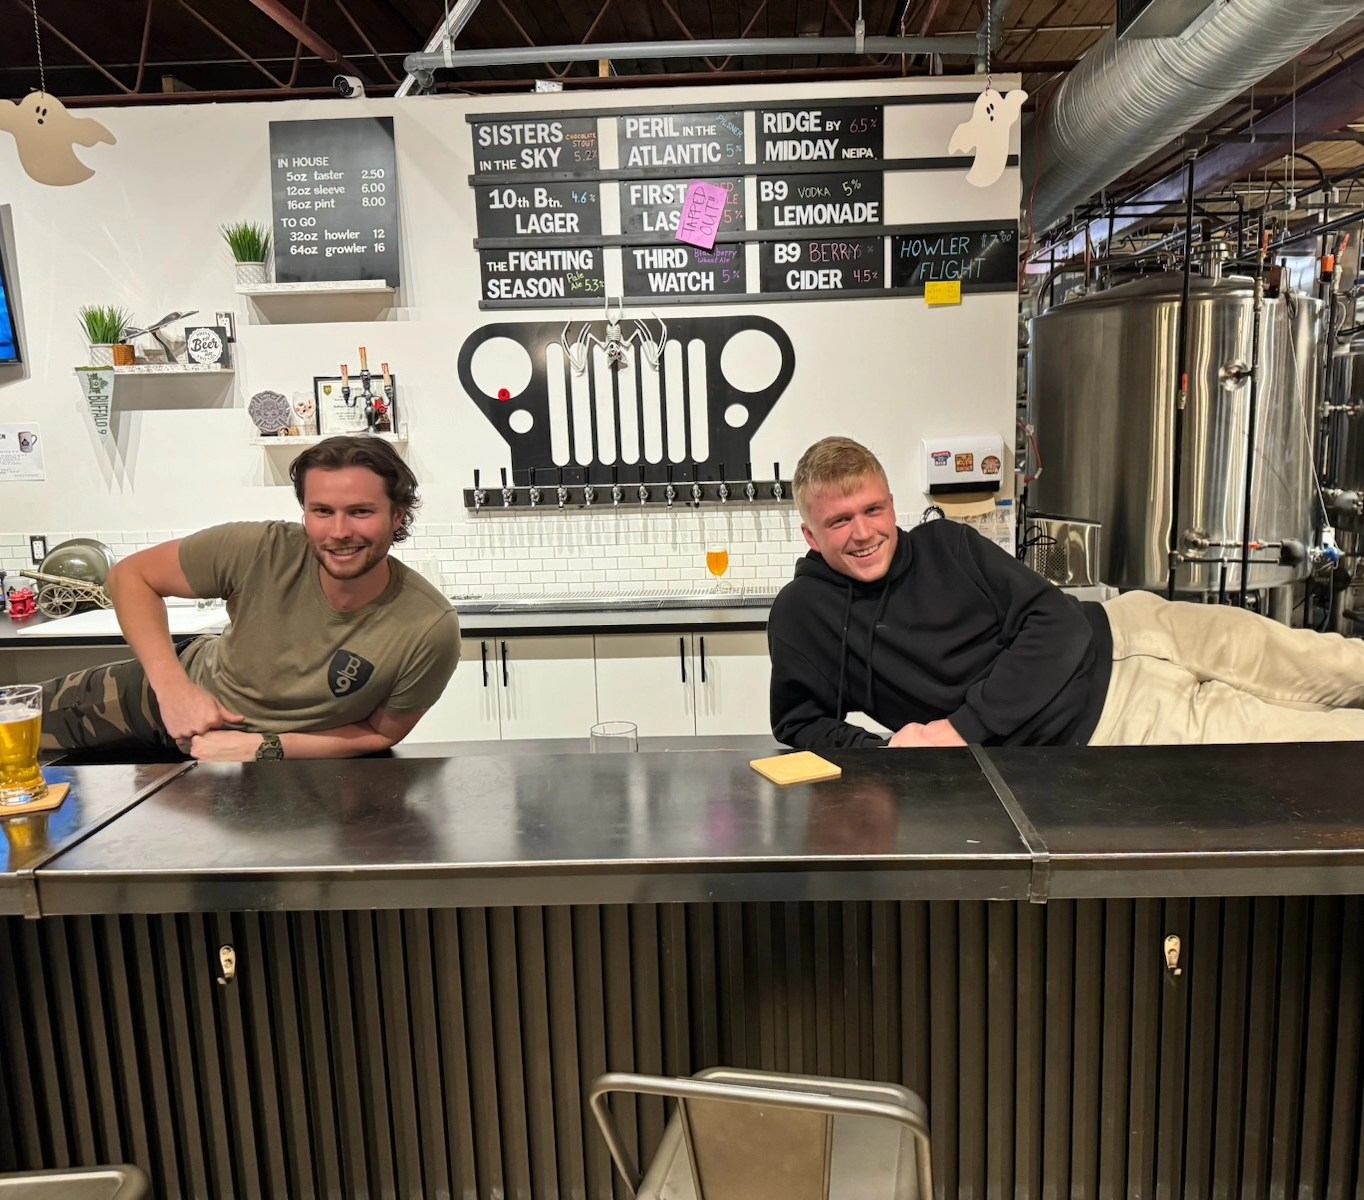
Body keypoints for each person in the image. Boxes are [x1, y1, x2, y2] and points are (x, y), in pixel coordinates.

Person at [768, 436, 1364, 749]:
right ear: (810, 535)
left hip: (1141, 625)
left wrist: (959, 729)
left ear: (892, 503)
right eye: (841, 521)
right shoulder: (803, 615)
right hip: (1125, 716)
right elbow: (799, 723)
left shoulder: (947, 544)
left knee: (1338, 661)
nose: (866, 532)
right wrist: (890, 753)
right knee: (1332, 742)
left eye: (874, 509)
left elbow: (1057, 621)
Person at [40, 436, 460, 762]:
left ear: (398, 516)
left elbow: (381, 733)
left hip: (265, 761)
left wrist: (265, 747)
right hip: (161, 694)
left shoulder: (427, 626)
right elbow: (130, 576)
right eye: (322, 511)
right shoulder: (259, 547)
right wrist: (175, 691)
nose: (339, 531)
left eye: (361, 512)